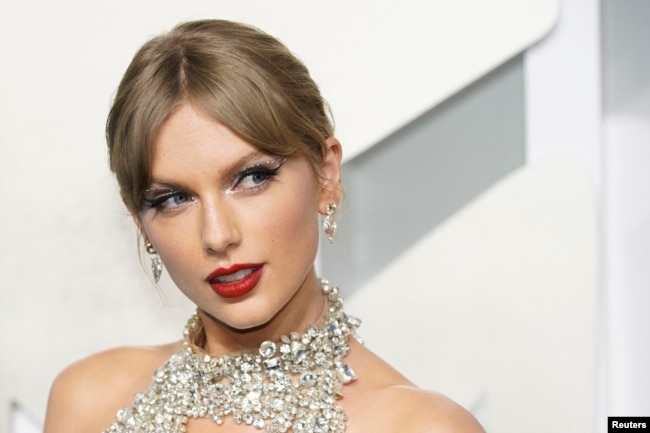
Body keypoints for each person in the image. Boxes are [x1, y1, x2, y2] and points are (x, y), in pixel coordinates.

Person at [44, 19, 485, 433]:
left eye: (252, 177)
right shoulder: (89, 402)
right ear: (141, 223)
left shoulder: (420, 425)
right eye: (173, 199)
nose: (218, 236)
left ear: (325, 175)